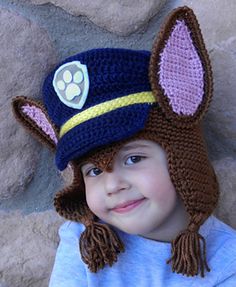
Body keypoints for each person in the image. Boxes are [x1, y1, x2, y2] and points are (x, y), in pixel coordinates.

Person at [12, 6, 236, 287]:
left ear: (182, 154)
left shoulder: (227, 262)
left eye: (133, 159)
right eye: (93, 171)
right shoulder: (86, 244)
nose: (112, 185)